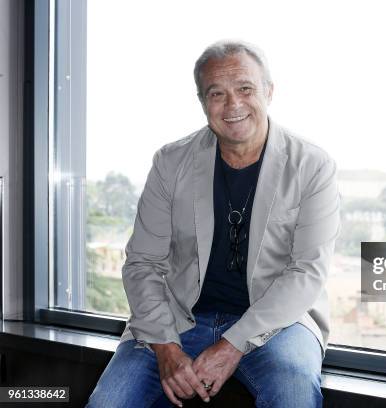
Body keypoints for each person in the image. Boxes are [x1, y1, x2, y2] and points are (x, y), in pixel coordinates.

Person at [86, 39, 340, 408]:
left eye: (245, 89)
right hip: (179, 319)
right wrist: (165, 348)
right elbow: (142, 263)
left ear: (269, 91)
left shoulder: (312, 165)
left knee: (293, 395)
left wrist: (232, 344)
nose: (233, 104)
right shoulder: (170, 163)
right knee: (108, 402)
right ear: (203, 102)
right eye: (216, 93)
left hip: (277, 323)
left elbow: (307, 271)